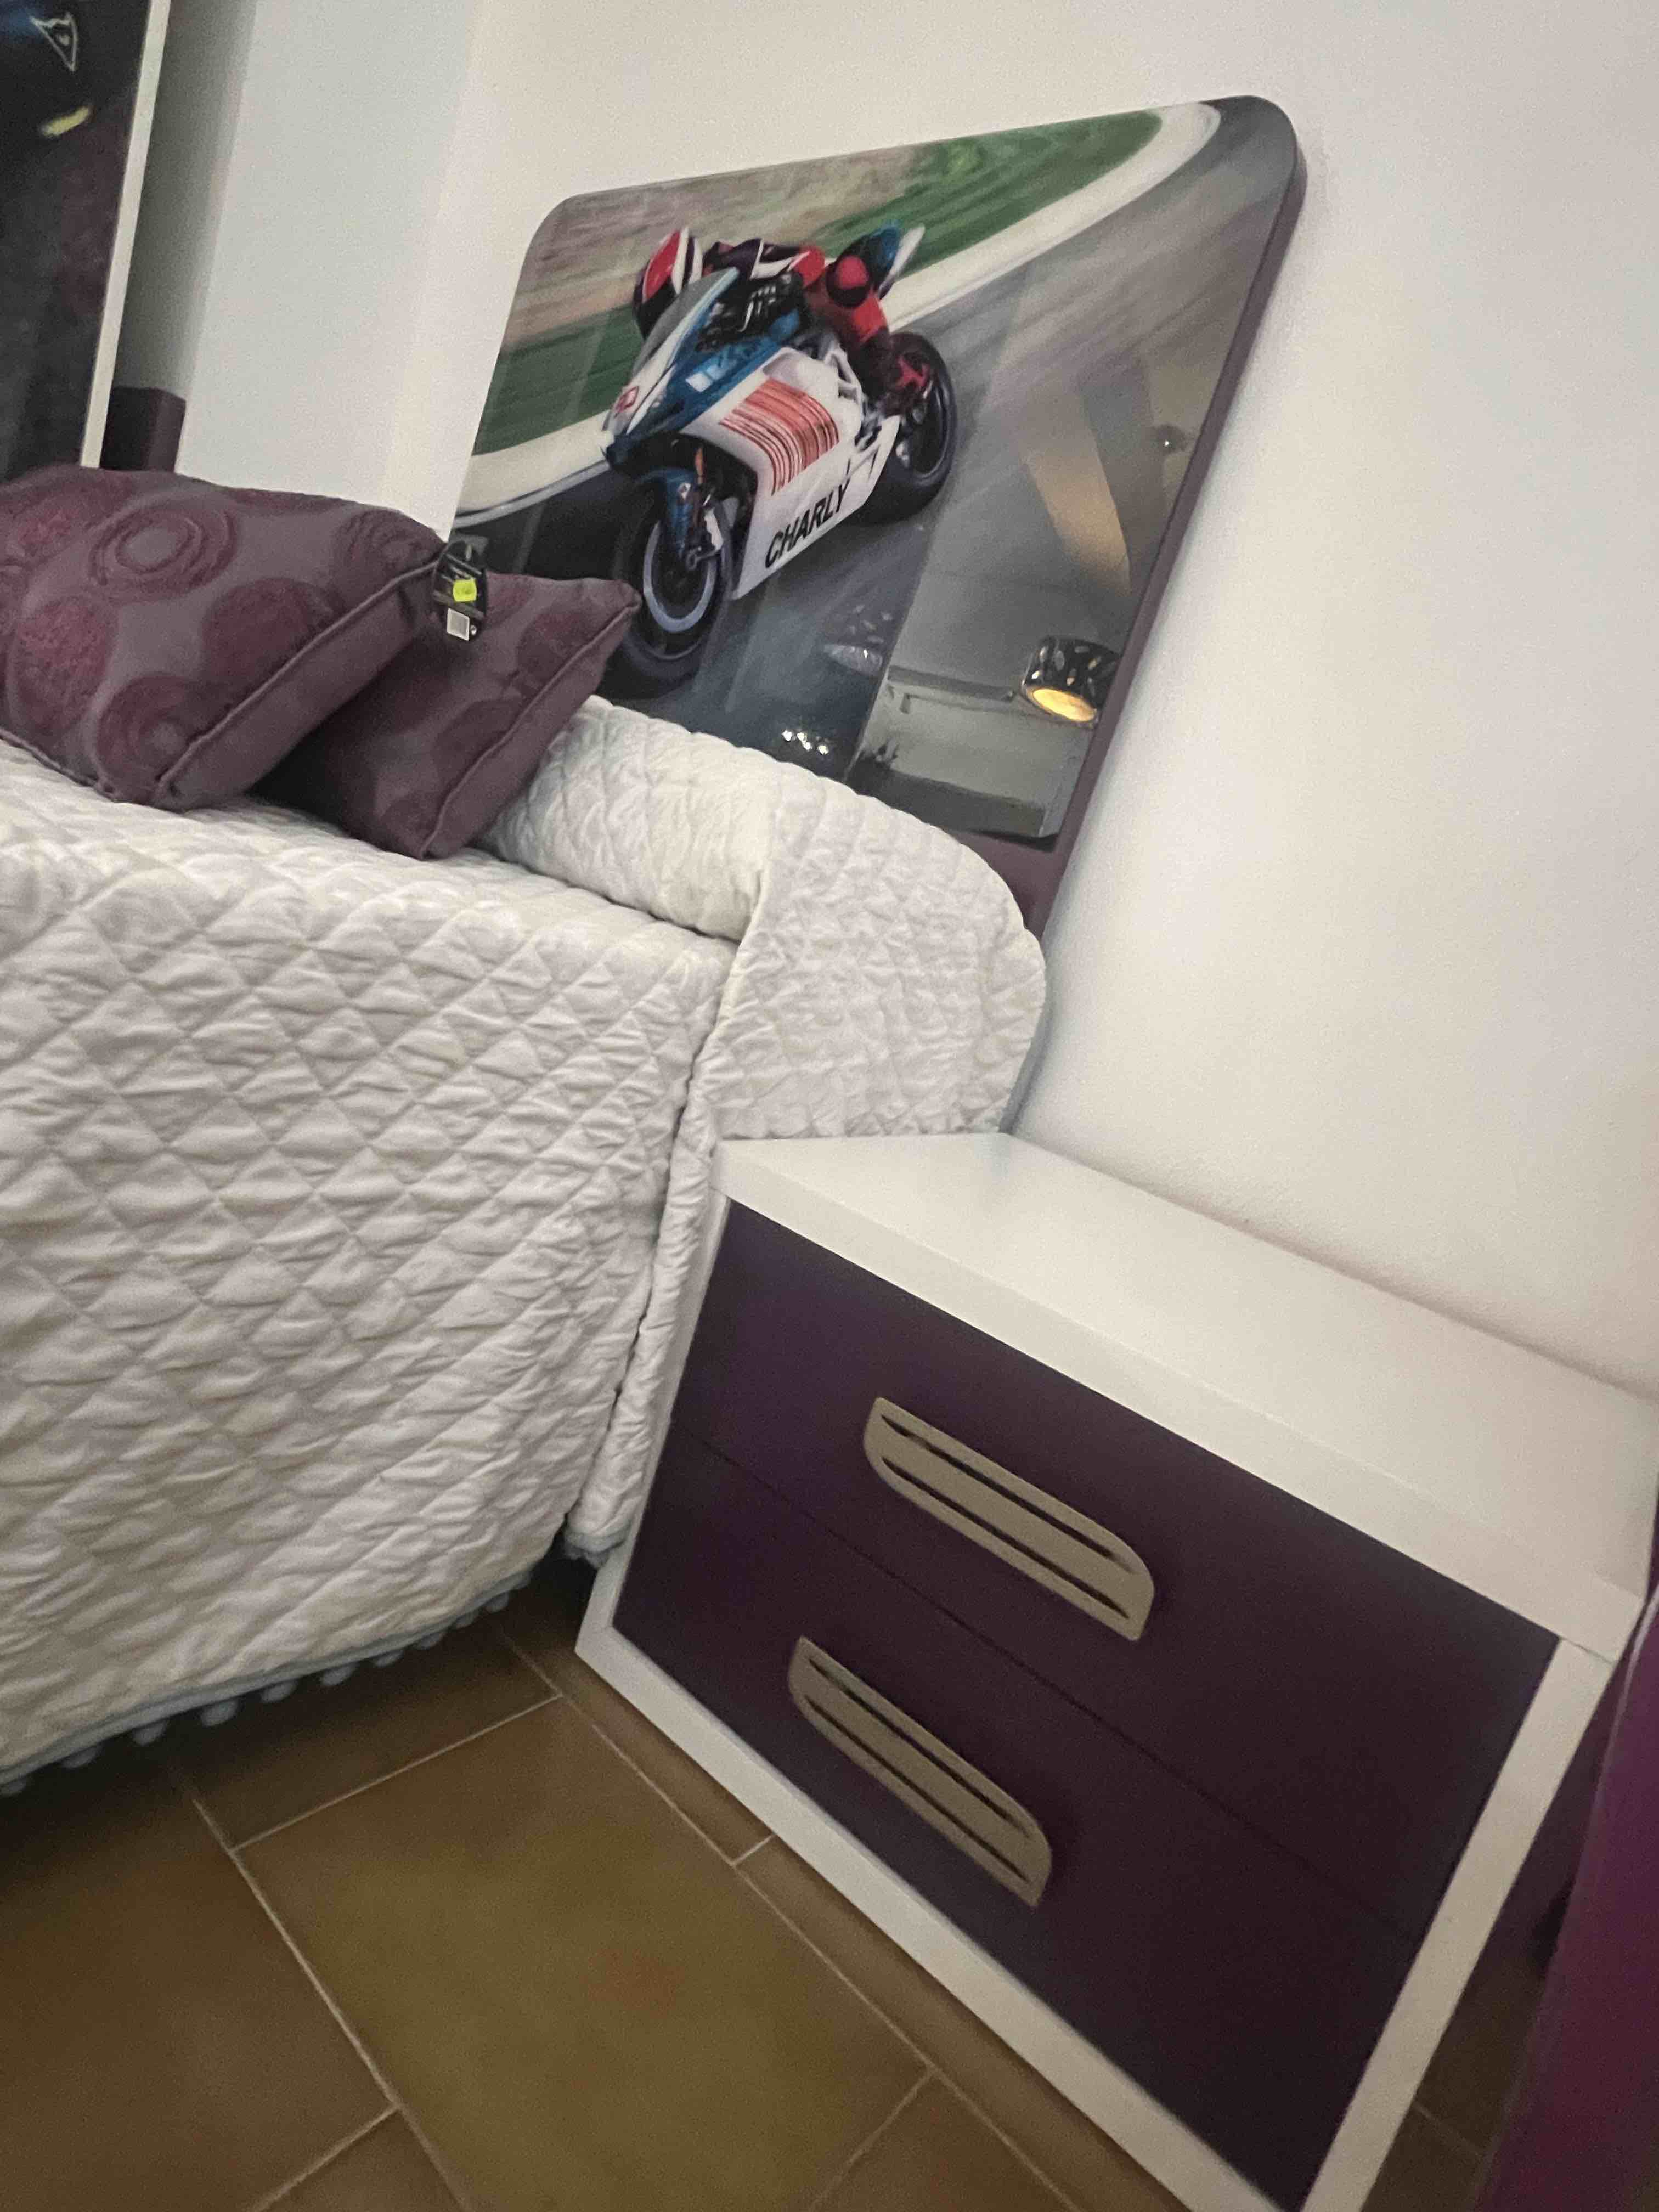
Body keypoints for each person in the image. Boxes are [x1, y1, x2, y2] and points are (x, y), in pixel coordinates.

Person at [630, 226, 927, 414]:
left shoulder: (733, 262)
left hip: (807, 326)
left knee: (845, 278)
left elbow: (809, 257)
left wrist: (783, 287)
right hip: (763, 380)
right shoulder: (687, 343)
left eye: (663, 313)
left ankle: (897, 376)